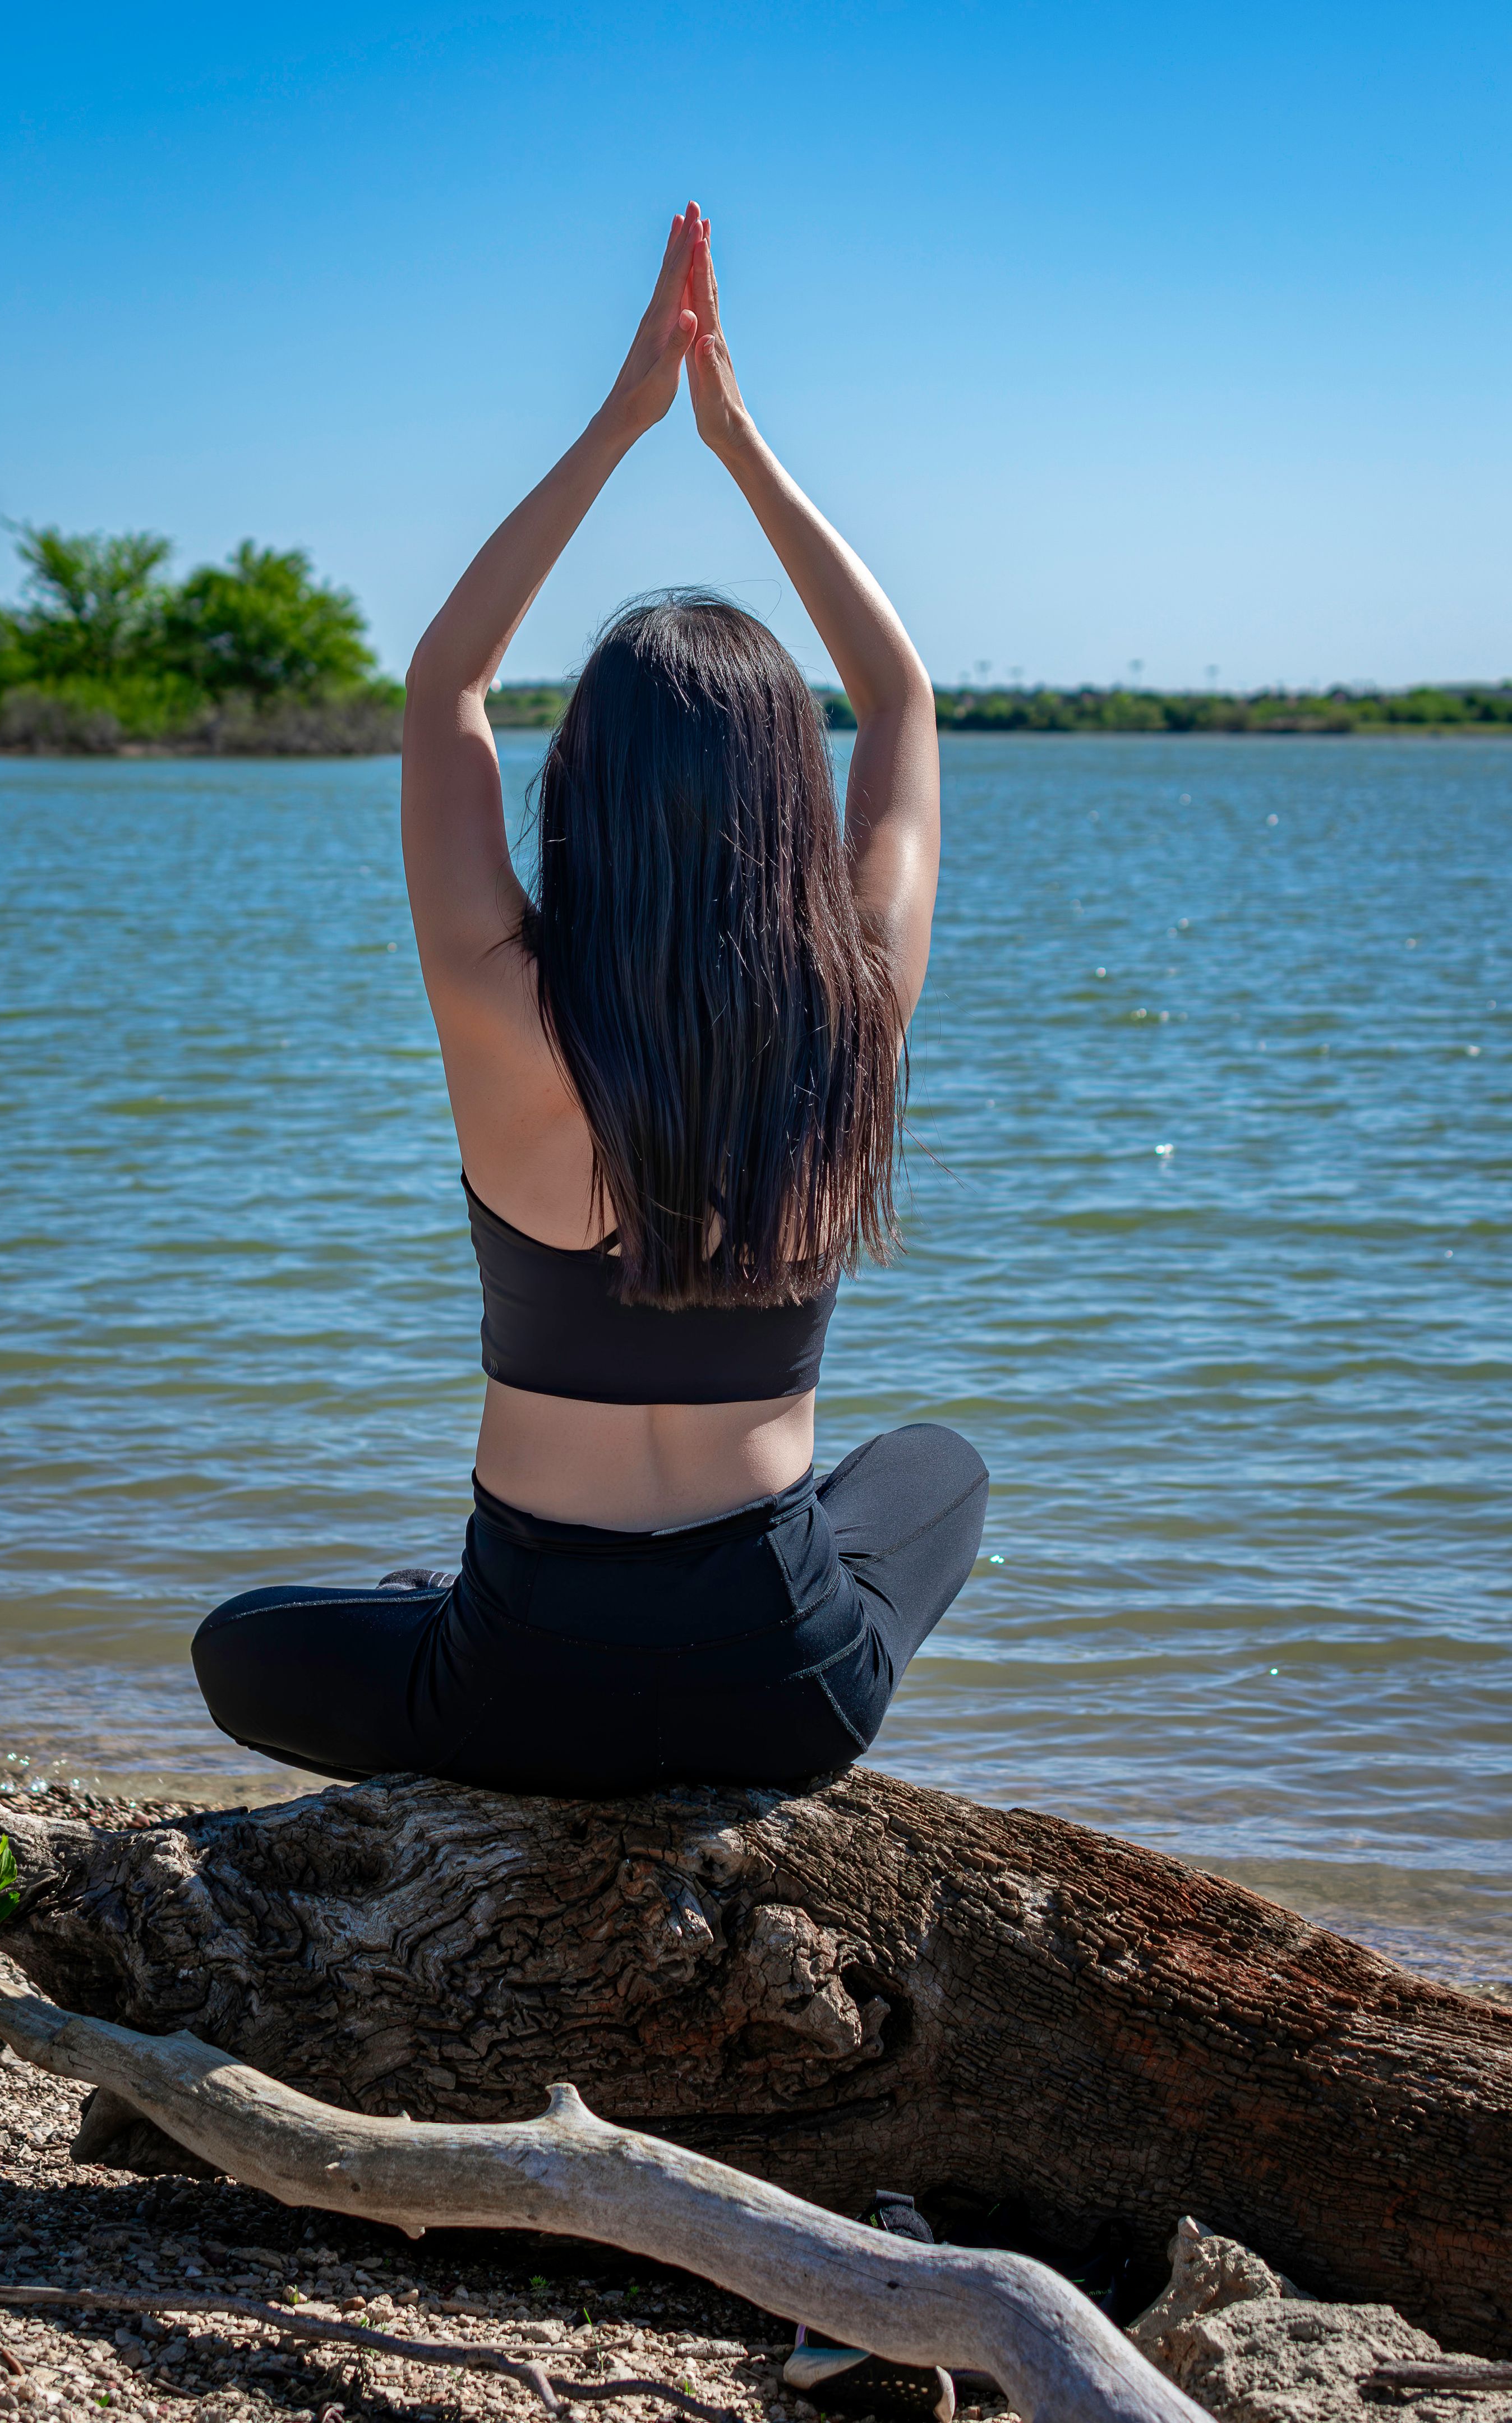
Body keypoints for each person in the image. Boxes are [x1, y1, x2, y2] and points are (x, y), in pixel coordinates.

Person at [192, 203, 987, 1794]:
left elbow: (445, 688)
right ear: (785, 804)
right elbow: (901, 696)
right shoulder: (859, 1014)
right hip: (785, 1690)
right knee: (941, 1470)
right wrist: (737, 443)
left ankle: (460, 1615)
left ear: (586, 792)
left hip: (519, 1687)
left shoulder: (504, 1011)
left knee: (243, 1641)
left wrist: (625, 422)